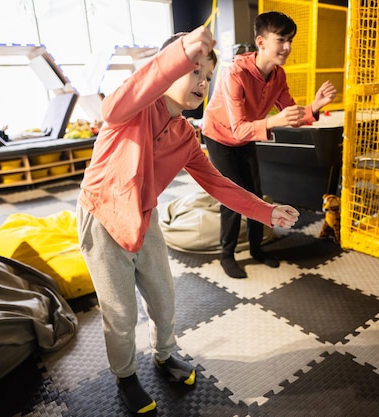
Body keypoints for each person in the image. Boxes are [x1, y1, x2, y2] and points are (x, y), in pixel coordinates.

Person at [76, 26, 300, 414]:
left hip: (144, 218)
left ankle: (164, 356)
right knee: (121, 312)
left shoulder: (184, 136)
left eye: (208, 76)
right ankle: (126, 376)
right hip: (102, 217)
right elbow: (111, 107)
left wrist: (267, 211)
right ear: (166, 71)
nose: (203, 82)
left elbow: (219, 185)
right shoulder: (133, 111)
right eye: (194, 71)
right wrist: (181, 51)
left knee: (163, 299)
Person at [201, 11, 337, 278]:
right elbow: (238, 128)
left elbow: (290, 114)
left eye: (290, 40)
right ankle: (227, 255)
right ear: (261, 42)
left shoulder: (278, 75)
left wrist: (314, 107)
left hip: (247, 134)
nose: (287, 47)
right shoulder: (235, 73)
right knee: (233, 195)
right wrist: (274, 122)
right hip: (219, 135)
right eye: (281, 40)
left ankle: (256, 249)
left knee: (255, 193)